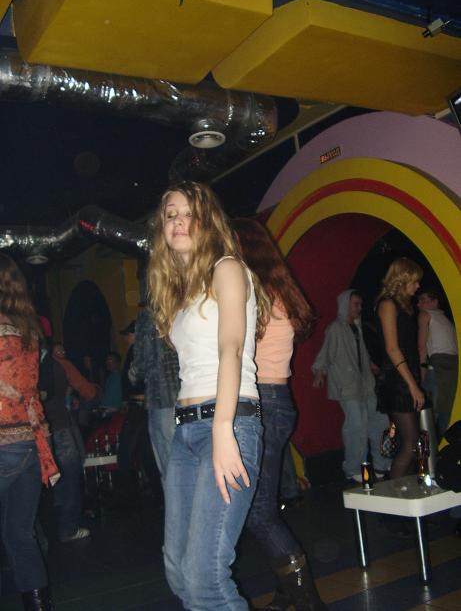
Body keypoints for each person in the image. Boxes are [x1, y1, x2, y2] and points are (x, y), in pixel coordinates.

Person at [147, 181, 268, 610]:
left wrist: (222, 429)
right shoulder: (181, 291)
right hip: (185, 433)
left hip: (229, 423)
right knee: (179, 571)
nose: (178, 222)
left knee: (205, 581)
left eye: (188, 214)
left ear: (207, 222)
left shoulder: (227, 268)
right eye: (170, 215)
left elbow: (230, 348)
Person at [233, 218, 327, 611]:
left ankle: (307, 601)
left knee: (259, 513)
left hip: (261, 403)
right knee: (264, 507)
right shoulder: (278, 289)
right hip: (277, 400)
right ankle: (288, 591)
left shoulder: (249, 291)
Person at [0, 253, 59, 610]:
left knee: (19, 535)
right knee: (20, 535)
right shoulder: (29, 330)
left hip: (4, 440)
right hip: (31, 443)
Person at [312, 290, 391, 482]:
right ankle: (353, 467)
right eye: (356, 304)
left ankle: (382, 463)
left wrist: (371, 365)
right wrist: (320, 372)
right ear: (345, 305)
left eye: (360, 304)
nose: (359, 308)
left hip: (366, 384)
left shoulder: (358, 328)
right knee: (356, 426)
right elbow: (326, 353)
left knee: (380, 421)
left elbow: (362, 353)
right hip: (347, 386)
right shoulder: (335, 329)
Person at [376, 258, 426, 479]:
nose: (418, 286)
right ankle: (395, 492)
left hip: (405, 378)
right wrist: (413, 385)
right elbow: (392, 348)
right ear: (402, 279)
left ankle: (404, 489)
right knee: (411, 443)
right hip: (397, 381)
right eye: (414, 281)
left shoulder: (405, 307)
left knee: (414, 442)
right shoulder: (387, 304)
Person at [40, 342, 93, 542]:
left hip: (39, 427)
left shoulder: (20, 358)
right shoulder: (56, 363)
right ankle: (67, 528)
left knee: (54, 477)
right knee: (69, 476)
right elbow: (88, 391)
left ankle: (55, 527)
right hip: (58, 425)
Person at [130, 304, 180, 483]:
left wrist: (133, 372)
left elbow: (143, 360)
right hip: (190, 397)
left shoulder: (149, 315)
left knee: (169, 470)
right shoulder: (182, 307)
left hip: (162, 398)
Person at [117, 320, 159, 505]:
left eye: (128, 334)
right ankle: (157, 496)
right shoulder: (141, 351)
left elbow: (137, 381)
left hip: (140, 407)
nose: (126, 338)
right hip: (143, 407)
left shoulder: (139, 351)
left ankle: (129, 497)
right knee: (146, 452)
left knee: (127, 452)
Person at [417, 290, 458, 439]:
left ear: (434, 302)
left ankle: (430, 445)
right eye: (418, 301)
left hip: (440, 364)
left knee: (433, 409)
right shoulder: (446, 319)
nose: (419, 304)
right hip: (453, 366)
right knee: (446, 408)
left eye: (423, 300)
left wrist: (422, 373)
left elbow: (421, 346)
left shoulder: (426, 314)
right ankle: (438, 444)